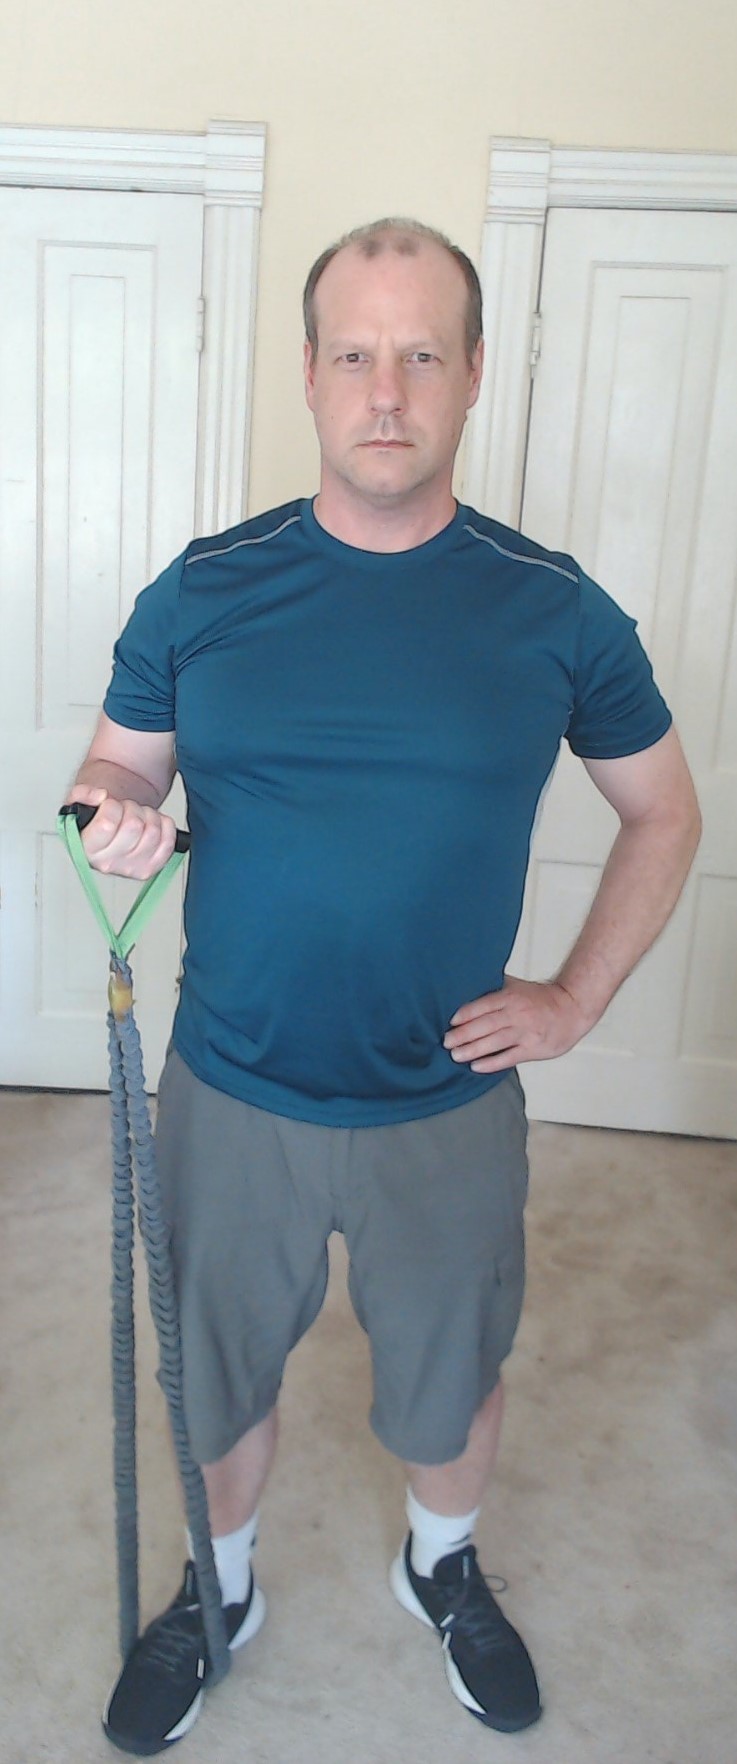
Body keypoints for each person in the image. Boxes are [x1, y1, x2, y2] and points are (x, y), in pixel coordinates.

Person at [66, 216, 701, 1755]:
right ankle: (221, 1590)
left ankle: (441, 1568)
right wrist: (113, 818)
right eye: (354, 353)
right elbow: (111, 775)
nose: (386, 389)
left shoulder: (552, 608)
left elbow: (664, 813)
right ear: (308, 373)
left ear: (473, 374)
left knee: (449, 1384)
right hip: (233, 1087)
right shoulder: (205, 589)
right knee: (216, 1380)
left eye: (421, 352)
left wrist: (573, 1000)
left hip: (445, 1099)